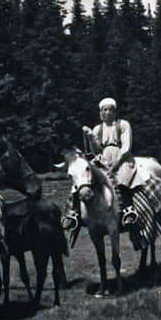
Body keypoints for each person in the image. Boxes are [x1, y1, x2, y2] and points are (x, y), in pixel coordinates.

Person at [64, 98, 138, 230]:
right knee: (84, 177)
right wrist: (91, 138)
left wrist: (116, 163)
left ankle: (128, 209)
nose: (107, 113)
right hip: (102, 158)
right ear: (100, 112)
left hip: (121, 158)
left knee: (123, 179)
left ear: (115, 112)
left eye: (110, 110)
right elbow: (96, 150)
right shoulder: (98, 128)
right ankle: (74, 213)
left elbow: (126, 147)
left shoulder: (123, 125)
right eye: (104, 110)